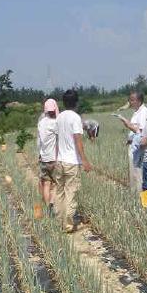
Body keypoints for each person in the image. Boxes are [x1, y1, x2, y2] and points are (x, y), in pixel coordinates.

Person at [56, 90, 93, 233]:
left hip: (60, 160)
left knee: (59, 192)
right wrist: (85, 161)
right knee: (71, 192)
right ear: (76, 103)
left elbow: (57, 139)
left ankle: (60, 220)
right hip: (71, 161)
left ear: (64, 103)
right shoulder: (75, 118)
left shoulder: (59, 118)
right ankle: (68, 224)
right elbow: (78, 141)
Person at [116, 90, 147, 194]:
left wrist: (126, 123)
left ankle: (141, 198)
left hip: (139, 149)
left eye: (132, 100)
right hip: (133, 147)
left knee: (139, 174)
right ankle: (135, 196)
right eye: (129, 100)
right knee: (133, 174)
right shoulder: (136, 112)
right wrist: (129, 139)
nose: (130, 102)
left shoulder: (143, 112)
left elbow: (141, 131)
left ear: (139, 101)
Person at [37, 99, 60, 214]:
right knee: (56, 183)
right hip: (53, 159)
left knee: (46, 184)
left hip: (43, 158)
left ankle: (47, 208)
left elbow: (40, 141)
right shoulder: (55, 123)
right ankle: (51, 203)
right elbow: (59, 141)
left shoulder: (41, 123)